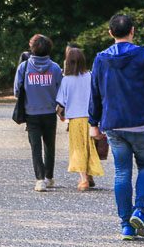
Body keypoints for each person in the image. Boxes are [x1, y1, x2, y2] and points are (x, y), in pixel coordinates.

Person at [89, 14, 144, 240]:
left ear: (110, 33)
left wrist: (93, 123)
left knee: (122, 172)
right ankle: (140, 212)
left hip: (114, 125)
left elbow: (95, 93)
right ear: (132, 31)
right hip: (141, 123)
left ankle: (126, 225)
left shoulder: (101, 58)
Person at [14, 34, 62, 192]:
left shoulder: (24, 67)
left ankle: (39, 179)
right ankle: (49, 177)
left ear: (32, 48)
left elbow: (16, 91)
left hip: (31, 113)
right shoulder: (55, 67)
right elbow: (60, 91)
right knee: (50, 145)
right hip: (50, 112)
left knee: (35, 147)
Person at [56, 46, 103, 191]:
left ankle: (83, 180)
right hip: (92, 117)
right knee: (90, 147)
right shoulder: (90, 76)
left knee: (78, 148)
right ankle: (90, 175)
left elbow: (61, 102)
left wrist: (60, 114)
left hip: (75, 119)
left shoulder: (66, 80)